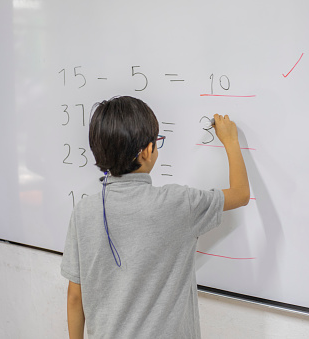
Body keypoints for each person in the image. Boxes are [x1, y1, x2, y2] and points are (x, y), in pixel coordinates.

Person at [61, 96, 250, 338]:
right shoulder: (178, 203)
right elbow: (241, 194)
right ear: (148, 151)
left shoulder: (83, 212)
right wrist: (231, 141)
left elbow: (75, 297)